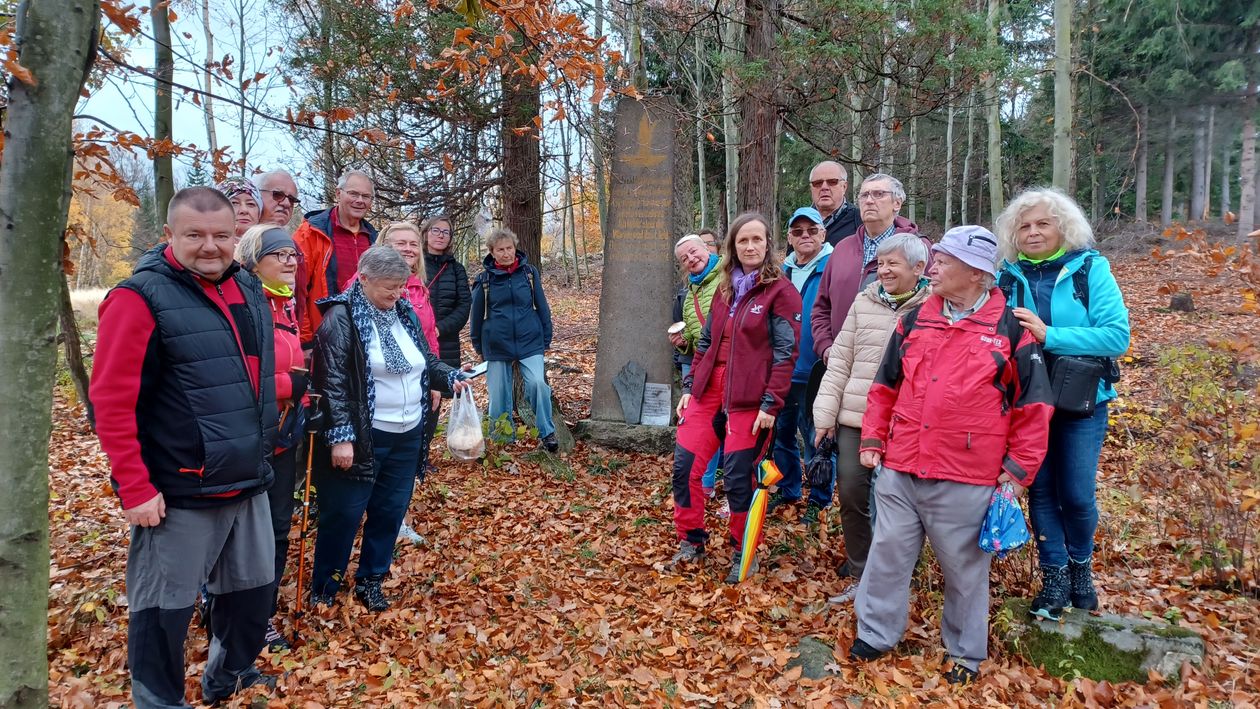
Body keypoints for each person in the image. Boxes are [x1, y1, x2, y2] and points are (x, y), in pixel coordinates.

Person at [90, 187, 278, 707]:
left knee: (251, 599)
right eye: (195, 235)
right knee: (162, 613)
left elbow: (247, 376)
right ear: (169, 235)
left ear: (236, 236)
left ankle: (230, 677)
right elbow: (110, 400)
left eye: (222, 235)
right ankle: (160, 700)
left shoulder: (248, 289)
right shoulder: (138, 299)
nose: (211, 246)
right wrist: (134, 485)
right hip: (179, 490)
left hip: (246, 479)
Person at [850, 225, 1053, 685]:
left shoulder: (1011, 330)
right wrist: (872, 440)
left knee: (964, 570)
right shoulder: (914, 319)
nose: (933, 267)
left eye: (945, 260)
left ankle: (965, 652)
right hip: (901, 466)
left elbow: (1034, 407)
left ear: (978, 273)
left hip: (967, 474)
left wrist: (1018, 471)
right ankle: (876, 633)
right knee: (887, 557)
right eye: (935, 257)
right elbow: (884, 387)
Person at [994, 188, 1131, 620]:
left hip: (1081, 404)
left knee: (1075, 492)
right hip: (1028, 402)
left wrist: (1049, 334)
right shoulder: (1006, 276)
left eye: (1042, 224)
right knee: (1041, 491)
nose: (1033, 232)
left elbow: (1116, 337)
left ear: (1062, 228)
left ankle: (1080, 571)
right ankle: (1052, 578)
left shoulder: (1090, 269)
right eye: (1024, 225)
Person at [308, 247, 469, 611]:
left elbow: (425, 360)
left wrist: (450, 376)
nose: (396, 294)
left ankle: (371, 580)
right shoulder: (340, 318)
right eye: (389, 287)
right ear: (363, 279)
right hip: (365, 437)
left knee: (390, 510)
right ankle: (325, 587)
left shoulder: (403, 312)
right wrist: (341, 439)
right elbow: (331, 383)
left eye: (401, 286)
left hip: (408, 432)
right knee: (344, 514)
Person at [669, 212, 802, 584]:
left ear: (768, 244)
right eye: (743, 240)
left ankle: (742, 550)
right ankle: (691, 541)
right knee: (685, 468)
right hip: (708, 391)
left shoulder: (781, 291)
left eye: (757, 239)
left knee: (740, 479)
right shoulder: (726, 288)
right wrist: (690, 388)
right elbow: (707, 343)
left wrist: (771, 404)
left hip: (750, 399)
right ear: (732, 247)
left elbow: (785, 352)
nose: (750, 246)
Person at [812, 233, 931, 601]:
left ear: (918, 268)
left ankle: (897, 575)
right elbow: (840, 361)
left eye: (893, 264)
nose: (885, 271)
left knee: (897, 501)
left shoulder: (933, 307)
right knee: (851, 491)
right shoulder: (864, 302)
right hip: (855, 415)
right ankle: (862, 570)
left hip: (905, 422)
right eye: (880, 264)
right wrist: (825, 415)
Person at [234, 225, 308, 652]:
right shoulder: (246, 302)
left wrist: (302, 387)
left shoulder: (285, 305)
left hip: (282, 431)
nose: (289, 260)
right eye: (278, 253)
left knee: (279, 526)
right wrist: (290, 385)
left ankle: (261, 614)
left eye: (293, 254)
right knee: (244, 529)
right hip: (248, 435)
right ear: (252, 258)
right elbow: (242, 370)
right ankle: (231, 609)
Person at [362, 221, 442, 546]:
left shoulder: (419, 288)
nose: (408, 249)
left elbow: (429, 337)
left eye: (412, 244)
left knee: (407, 461)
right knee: (378, 463)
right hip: (381, 397)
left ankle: (397, 520)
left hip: (419, 388)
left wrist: (437, 380)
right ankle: (376, 520)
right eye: (400, 243)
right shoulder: (368, 287)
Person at [811, 173, 928, 366]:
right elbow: (822, 307)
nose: (869, 201)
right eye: (864, 195)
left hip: (893, 368)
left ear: (897, 203)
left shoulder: (916, 249)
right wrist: (825, 346)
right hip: (840, 363)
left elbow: (929, 308)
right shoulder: (841, 249)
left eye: (879, 194)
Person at [769, 207, 834, 523]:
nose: (805, 236)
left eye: (812, 230)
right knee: (782, 434)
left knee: (816, 438)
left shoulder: (834, 267)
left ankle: (819, 499)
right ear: (790, 238)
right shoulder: (780, 272)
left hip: (817, 370)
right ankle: (789, 489)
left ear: (823, 234)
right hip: (782, 370)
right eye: (798, 231)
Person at [470, 228, 559, 453]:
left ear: (515, 248)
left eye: (509, 248)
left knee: (538, 384)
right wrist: (478, 346)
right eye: (501, 249)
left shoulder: (529, 273)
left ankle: (547, 432)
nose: (506, 253)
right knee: (498, 393)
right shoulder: (484, 280)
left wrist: (546, 337)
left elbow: (542, 306)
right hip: (496, 344)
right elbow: (476, 315)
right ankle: (501, 438)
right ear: (492, 252)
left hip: (530, 339)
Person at [669, 233, 724, 508]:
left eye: (694, 252)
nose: (691, 259)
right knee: (705, 428)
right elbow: (696, 338)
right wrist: (682, 343)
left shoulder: (729, 276)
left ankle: (742, 493)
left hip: (732, 366)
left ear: (707, 249)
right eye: (684, 258)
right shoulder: (689, 295)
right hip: (704, 369)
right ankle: (705, 484)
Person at [293, 168, 380, 343]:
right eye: (353, 194)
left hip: (368, 334)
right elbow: (297, 290)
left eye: (366, 196)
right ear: (338, 193)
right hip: (325, 332)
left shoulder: (375, 238)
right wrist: (305, 340)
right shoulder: (311, 233)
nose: (359, 201)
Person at [421, 214, 472, 369]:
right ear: (426, 233)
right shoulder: (415, 265)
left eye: (446, 232)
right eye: (436, 230)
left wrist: (440, 328)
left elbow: (464, 306)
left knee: (444, 388)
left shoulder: (457, 269)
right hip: (417, 337)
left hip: (447, 343)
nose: (441, 235)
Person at [809, 160, 860, 245]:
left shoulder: (859, 221)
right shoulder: (800, 221)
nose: (824, 187)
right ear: (811, 188)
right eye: (818, 183)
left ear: (844, 187)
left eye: (832, 182)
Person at [216, 176, 262, 242]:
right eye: (234, 203)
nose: (244, 210)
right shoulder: (208, 248)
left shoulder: (273, 248)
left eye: (250, 204)